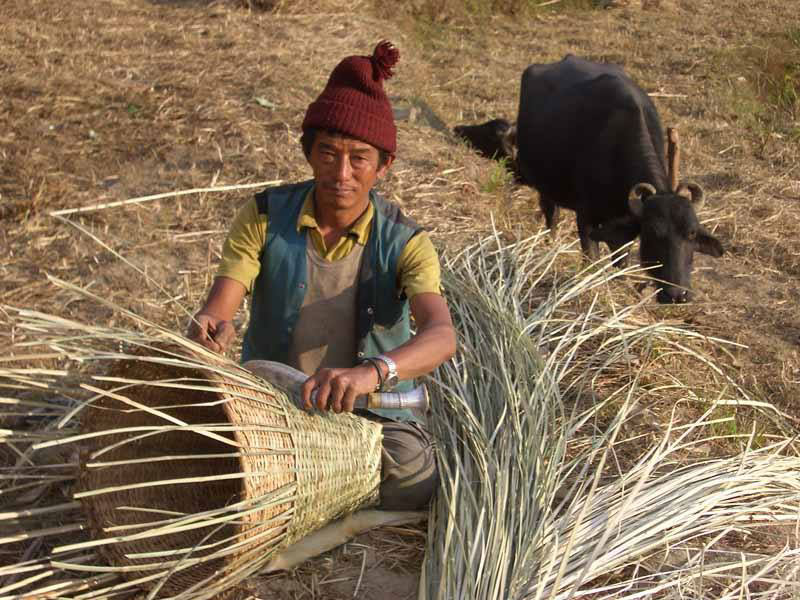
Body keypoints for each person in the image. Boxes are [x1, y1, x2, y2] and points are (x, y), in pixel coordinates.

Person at [187, 40, 457, 511]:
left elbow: (441, 336)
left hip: (367, 411)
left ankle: (304, 488)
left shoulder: (405, 241)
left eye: (359, 158)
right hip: (273, 402)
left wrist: (371, 373)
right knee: (198, 459)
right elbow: (221, 304)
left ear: (383, 165)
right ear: (309, 152)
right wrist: (212, 327)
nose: (342, 173)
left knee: (413, 478)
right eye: (329, 153)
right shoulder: (265, 215)